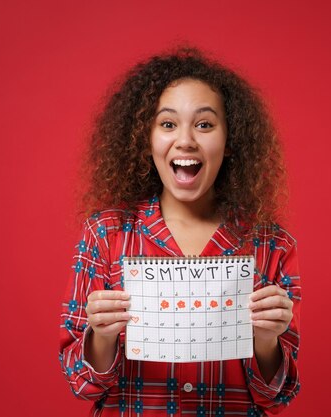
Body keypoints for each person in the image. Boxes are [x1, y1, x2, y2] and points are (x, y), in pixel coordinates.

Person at [59, 47, 302, 416]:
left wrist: (266, 341)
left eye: (204, 124)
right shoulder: (105, 234)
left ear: (230, 141)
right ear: (146, 138)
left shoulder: (271, 245)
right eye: (168, 124)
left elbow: (277, 397)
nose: (186, 140)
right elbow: (81, 382)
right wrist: (102, 336)